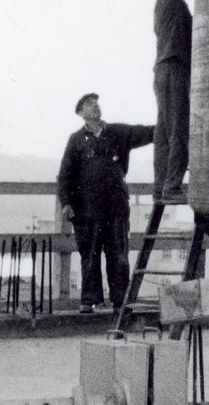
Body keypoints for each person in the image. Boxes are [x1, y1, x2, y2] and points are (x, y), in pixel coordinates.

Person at [56, 93, 155, 314]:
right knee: (89, 255)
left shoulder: (118, 133)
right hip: (86, 210)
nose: (95, 106)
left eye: (96, 102)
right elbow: (64, 176)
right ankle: (89, 300)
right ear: (81, 113)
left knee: (118, 255)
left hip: (116, 208)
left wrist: (169, 125)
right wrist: (66, 204)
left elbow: (147, 133)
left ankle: (120, 302)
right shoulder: (76, 141)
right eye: (89, 104)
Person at [152, 0, 195, 202]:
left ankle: (161, 187)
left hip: (167, 71)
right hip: (172, 69)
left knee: (163, 134)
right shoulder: (167, 2)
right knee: (179, 129)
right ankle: (172, 187)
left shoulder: (177, 9)